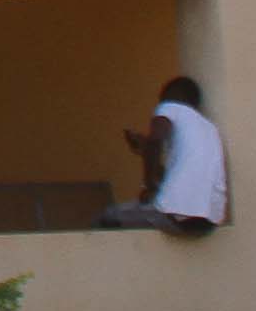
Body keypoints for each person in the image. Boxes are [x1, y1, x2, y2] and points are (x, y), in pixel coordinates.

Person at [95, 74, 229, 235]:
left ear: (172, 96)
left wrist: (148, 185)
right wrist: (146, 150)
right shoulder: (210, 128)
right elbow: (173, 174)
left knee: (107, 218)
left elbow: (156, 140)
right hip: (208, 221)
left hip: (175, 214)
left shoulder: (169, 107)